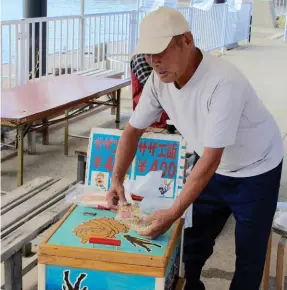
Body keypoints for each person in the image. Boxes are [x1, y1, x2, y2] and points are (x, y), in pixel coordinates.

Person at [106, 7, 284, 290]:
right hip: (211, 163)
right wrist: (116, 178)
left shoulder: (223, 81)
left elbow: (212, 159)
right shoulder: (158, 80)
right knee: (195, 239)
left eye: (161, 51)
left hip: (257, 168)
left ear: (187, 40)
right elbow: (132, 130)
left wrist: (172, 212)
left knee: (250, 253)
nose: (154, 62)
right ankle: (192, 284)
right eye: (149, 54)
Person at [130, 53, 169, 128]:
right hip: (150, 108)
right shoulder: (140, 59)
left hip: (161, 107)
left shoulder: (159, 54)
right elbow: (155, 89)